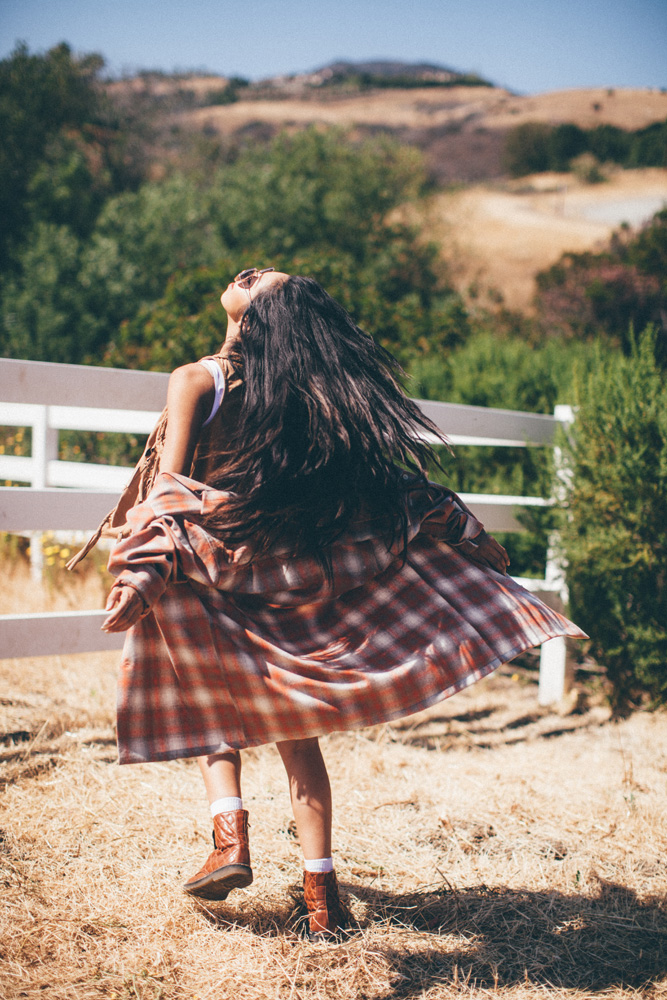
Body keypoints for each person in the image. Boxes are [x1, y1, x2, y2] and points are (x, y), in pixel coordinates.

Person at [89, 267, 584, 940]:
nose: (252, 271)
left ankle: (229, 839)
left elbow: (168, 490)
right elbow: (390, 489)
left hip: (203, 567)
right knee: (298, 733)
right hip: (275, 572)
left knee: (211, 708)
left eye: (265, 281)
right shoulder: (298, 397)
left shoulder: (196, 380)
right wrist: (461, 530)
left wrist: (139, 561)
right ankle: (320, 900)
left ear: (263, 317)